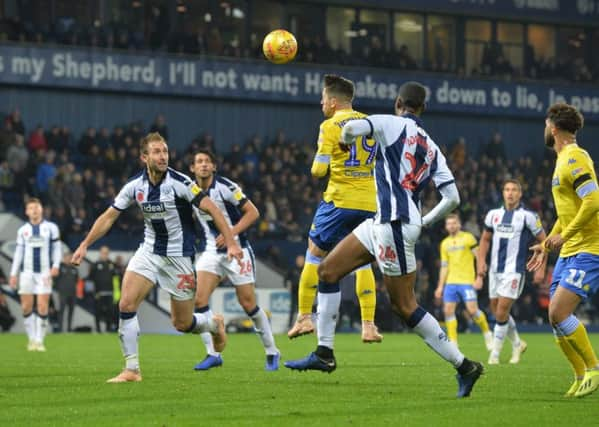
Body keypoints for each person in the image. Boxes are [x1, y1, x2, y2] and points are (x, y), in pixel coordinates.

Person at [285, 81, 483, 398]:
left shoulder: (388, 122)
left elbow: (352, 130)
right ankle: (324, 353)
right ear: (423, 108)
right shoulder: (431, 145)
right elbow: (453, 197)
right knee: (328, 271)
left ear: (398, 102)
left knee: (404, 307)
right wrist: (428, 220)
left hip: (394, 225)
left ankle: (465, 366)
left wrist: (348, 140)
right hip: (382, 221)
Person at [71, 132, 243, 383]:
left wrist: (230, 242)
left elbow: (213, 209)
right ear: (144, 157)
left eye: (165, 151)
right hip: (149, 251)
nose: (163, 156)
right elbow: (109, 216)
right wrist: (85, 244)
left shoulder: (181, 183)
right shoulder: (134, 186)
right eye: (156, 152)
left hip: (179, 258)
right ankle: (132, 369)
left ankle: (214, 325)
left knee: (182, 324)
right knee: (126, 305)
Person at [288, 74, 381, 343]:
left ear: (332, 101)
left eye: (322, 99)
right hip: (369, 203)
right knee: (362, 263)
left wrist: (322, 159)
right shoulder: (370, 124)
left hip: (339, 201)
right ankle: (369, 325)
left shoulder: (329, 126)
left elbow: (318, 171)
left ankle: (305, 317)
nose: (320, 104)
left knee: (314, 255)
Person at [528, 103, 599, 398]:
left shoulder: (574, 158)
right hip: (570, 249)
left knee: (559, 311)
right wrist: (548, 244)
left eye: (546, 124)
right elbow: (566, 212)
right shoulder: (562, 160)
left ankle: (594, 368)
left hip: (589, 249)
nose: (545, 129)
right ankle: (580, 374)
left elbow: (593, 201)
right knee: (554, 319)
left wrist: (565, 237)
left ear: (553, 127)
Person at [190, 149, 280, 371]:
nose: (203, 165)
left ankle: (271, 350)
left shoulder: (226, 187)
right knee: (199, 300)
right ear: (192, 168)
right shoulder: (189, 191)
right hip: (211, 251)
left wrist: (230, 232)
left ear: (213, 167)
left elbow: (253, 212)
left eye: (207, 162)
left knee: (248, 303)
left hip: (237, 250)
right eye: (199, 162)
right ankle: (213, 353)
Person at [476, 179, 546, 365]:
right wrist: (480, 263)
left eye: (514, 190)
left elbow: (543, 241)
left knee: (501, 311)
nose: (510, 193)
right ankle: (517, 343)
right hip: (494, 270)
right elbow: (484, 240)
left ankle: (495, 355)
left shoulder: (528, 216)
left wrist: (542, 269)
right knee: (496, 310)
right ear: (503, 192)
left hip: (514, 271)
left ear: (520, 194)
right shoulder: (493, 215)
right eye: (507, 189)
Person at [9, 198, 62, 351]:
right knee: (26, 307)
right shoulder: (22, 230)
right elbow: (18, 253)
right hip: (26, 273)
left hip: (44, 273)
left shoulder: (51, 228)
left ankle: (39, 340)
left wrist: (56, 265)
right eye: (31, 208)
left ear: (41, 209)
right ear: (26, 212)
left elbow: (57, 249)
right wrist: (13, 274)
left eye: (37, 207)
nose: (34, 210)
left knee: (42, 305)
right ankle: (31, 339)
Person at [434, 213, 492, 350]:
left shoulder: (468, 238)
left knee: (472, 310)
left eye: (454, 223)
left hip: (466, 281)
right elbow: (444, 266)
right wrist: (440, 286)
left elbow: (479, 258)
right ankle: (453, 343)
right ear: (446, 226)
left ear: (459, 224)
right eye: (449, 223)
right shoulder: (444, 244)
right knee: (448, 311)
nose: (451, 226)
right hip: (451, 282)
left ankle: (487, 333)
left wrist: (479, 276)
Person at [89, 246, 120, 332]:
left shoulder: (112, 265)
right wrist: (94, 292)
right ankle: (98, 330)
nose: (105, 255)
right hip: (99, 293)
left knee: (110, 312)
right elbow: (91, 278)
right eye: (103, 253)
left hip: (110, 292)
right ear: (100, 253)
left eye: (106, 253)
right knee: (98, 311)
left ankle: (108, 329)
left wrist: (116, 293)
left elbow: (116, 278)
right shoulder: (95, 265)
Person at [55, 252, 79, 332]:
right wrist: (59, 289)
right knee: (61, 311)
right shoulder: (60, 267)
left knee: (71, 312)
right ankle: (60, 329)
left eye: (70, 258)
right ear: (64, 258)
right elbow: (55, 279)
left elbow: (76, 280)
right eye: (67, 257)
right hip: (62, 293)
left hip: (72, 293)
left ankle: (69, 329)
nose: (69, 259)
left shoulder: (74, 269)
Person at [284, 255, 304, 328]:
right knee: (292, 309)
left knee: (302, 309)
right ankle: (290, 325)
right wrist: (286, 285)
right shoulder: (292, 269)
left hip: (303, 293)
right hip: (294, 292)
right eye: (299, 260)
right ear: (296, 261)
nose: (300, 262)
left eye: (301, 260)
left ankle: (302, 324)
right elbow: (286, 277)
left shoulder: (306, 269)